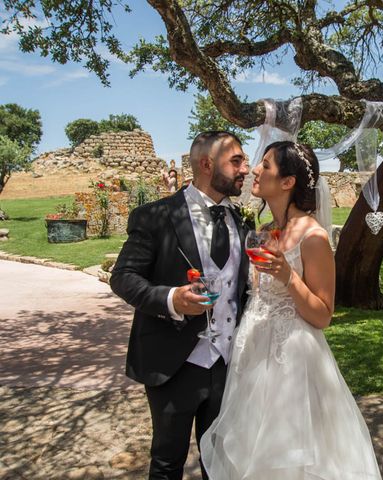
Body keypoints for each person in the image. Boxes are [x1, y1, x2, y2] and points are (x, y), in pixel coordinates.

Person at [200, 141, 382, 479]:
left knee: (288, 456)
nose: (255, 169)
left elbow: (323, 314)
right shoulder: (263, 232)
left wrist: (289, 277)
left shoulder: (312, 237)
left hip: (292, 363)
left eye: (265, 165)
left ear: (287, 182)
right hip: (251, 356)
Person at [110, 131, 251, 479]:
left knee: (220, 463)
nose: (246, 168)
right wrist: (172, 298)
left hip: (228, 363)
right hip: (173, 362)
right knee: (167, 461)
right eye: (236, 161)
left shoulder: (243, 222)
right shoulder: (155, 216)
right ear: (206, 164)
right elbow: (124, 277)